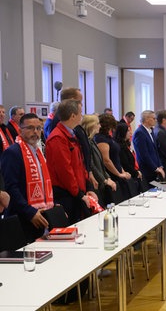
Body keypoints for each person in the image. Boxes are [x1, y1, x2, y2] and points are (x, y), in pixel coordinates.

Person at [1, 113, 52, 242]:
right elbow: (11, 188)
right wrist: (29, 212)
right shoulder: (12, 153)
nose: (35, 132)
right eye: (30, 128)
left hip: (40, 215)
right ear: (19, 130)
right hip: (22, 216)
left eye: (38, 128)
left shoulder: (38, 152)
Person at [45, 100, 97, 224]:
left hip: (76, 192)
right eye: (80, 113)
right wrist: (79, 194)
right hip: (66, 195)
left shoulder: (71, 135)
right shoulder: (58, 138)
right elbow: (65, 171)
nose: (82, 116)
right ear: (73, 116)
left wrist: (88, 187)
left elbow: (80, 164)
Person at [81, 115, 117, 206]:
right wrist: (104, 180)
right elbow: (91, 165)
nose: (100, 126)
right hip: (96, 183)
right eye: (97, 124)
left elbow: (100, 163)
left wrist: (107, 177)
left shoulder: (92, 141)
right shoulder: (87, 143)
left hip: (100, 182)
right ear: (91, 125)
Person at [94, 114, 130, 202]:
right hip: (112, 175)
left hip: (118, 173)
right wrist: (119, 174)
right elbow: (106, 160)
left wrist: (123, 171)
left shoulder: (108, 137)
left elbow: (115, 158)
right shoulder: (101, 139)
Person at [132, 110, 165, 189]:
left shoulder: (151, 131)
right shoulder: (139, 133)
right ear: (146, 119)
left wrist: (160, 165)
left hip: (155, 169)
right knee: (152, 193)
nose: (156, 120)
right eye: (154, 118)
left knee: (161, 190)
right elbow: (144, 154)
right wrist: (155, 168)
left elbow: (155, 151)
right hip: (147, 170)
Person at [114, 123, 144, 196]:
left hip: (133, 174)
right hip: (128, 177)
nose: (130, 133)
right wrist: (136, 173)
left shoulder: (126, 144)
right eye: (128, 131)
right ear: (122, 132)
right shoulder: (119, 146)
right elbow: (125, 164)